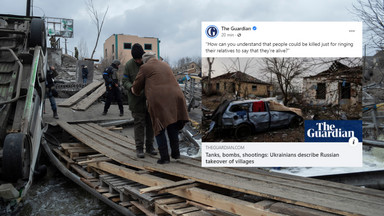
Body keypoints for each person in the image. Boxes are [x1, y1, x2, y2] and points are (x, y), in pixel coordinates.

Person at [132, 52, 189, 164]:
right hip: (176, 96)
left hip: (159, 99)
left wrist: (134, 90)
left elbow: (137, 86)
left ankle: (164, 157)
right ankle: (176, 154)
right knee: (172, 123)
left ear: (145, 60)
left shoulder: (145, 67)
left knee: (159, 127)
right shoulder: (165, 64)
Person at [122, 43, 156, 158]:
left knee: (150, 124)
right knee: (139, 124)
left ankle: (150, 146)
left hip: (149, 100)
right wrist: (131, 87)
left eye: (139, 58)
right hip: (136, 101)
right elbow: (124, 81)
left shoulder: (148, 64)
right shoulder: (128, 65)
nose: (138, 61)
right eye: (135, 59)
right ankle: (139, 148)